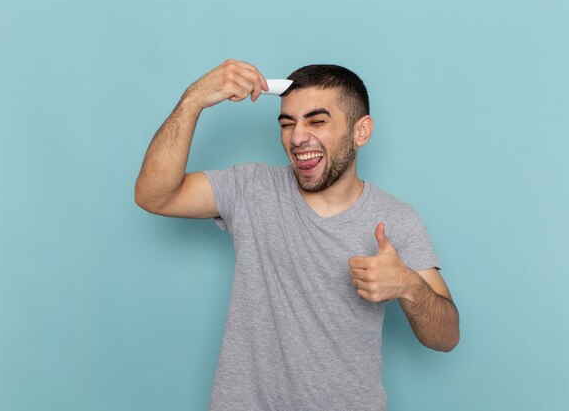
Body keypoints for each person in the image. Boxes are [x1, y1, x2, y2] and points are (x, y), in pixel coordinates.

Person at [134, 59, 459, 411]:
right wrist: (193, 99)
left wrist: (408, 286)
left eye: (317, 121)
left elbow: (446, 337)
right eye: (287, 124)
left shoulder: (396, 219)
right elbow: (154, 195)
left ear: (361, 131)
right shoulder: (250, 188)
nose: (298, 137)